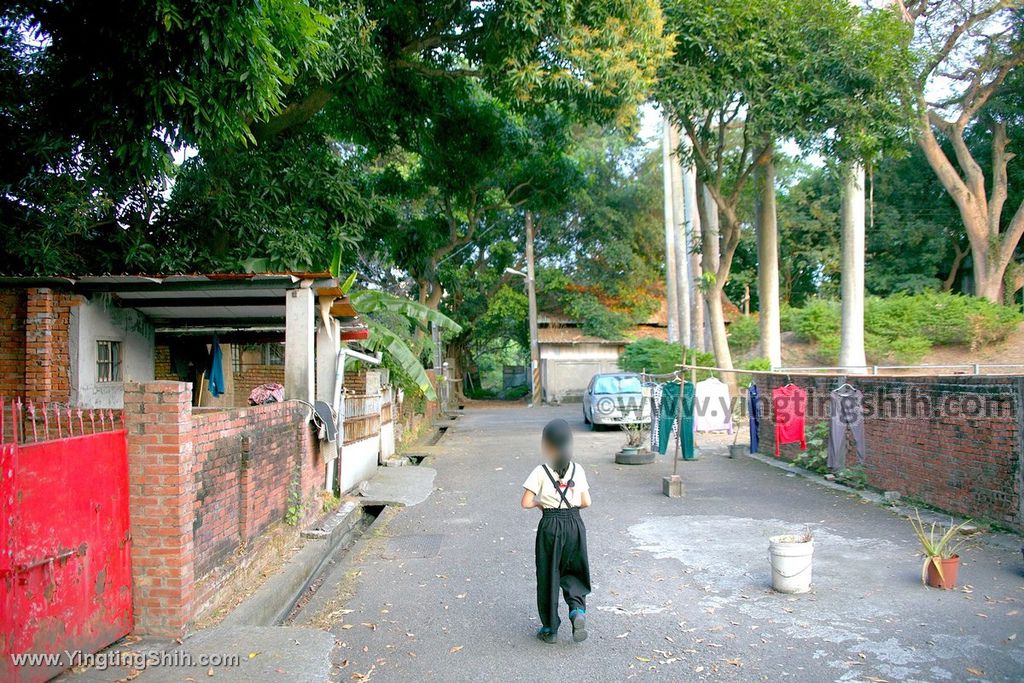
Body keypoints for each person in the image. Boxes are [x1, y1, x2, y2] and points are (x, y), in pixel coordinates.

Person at [521, 419, 592, 644]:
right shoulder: (577, 469)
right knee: (574, 570)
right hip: (574, 523)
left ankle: (550, 628)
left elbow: (525, 502)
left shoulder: (540, 471)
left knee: (549, 575)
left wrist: (541, 503)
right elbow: (586, 501)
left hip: (550, 525)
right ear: (569, 443)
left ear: (546, 445)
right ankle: (577, 611)